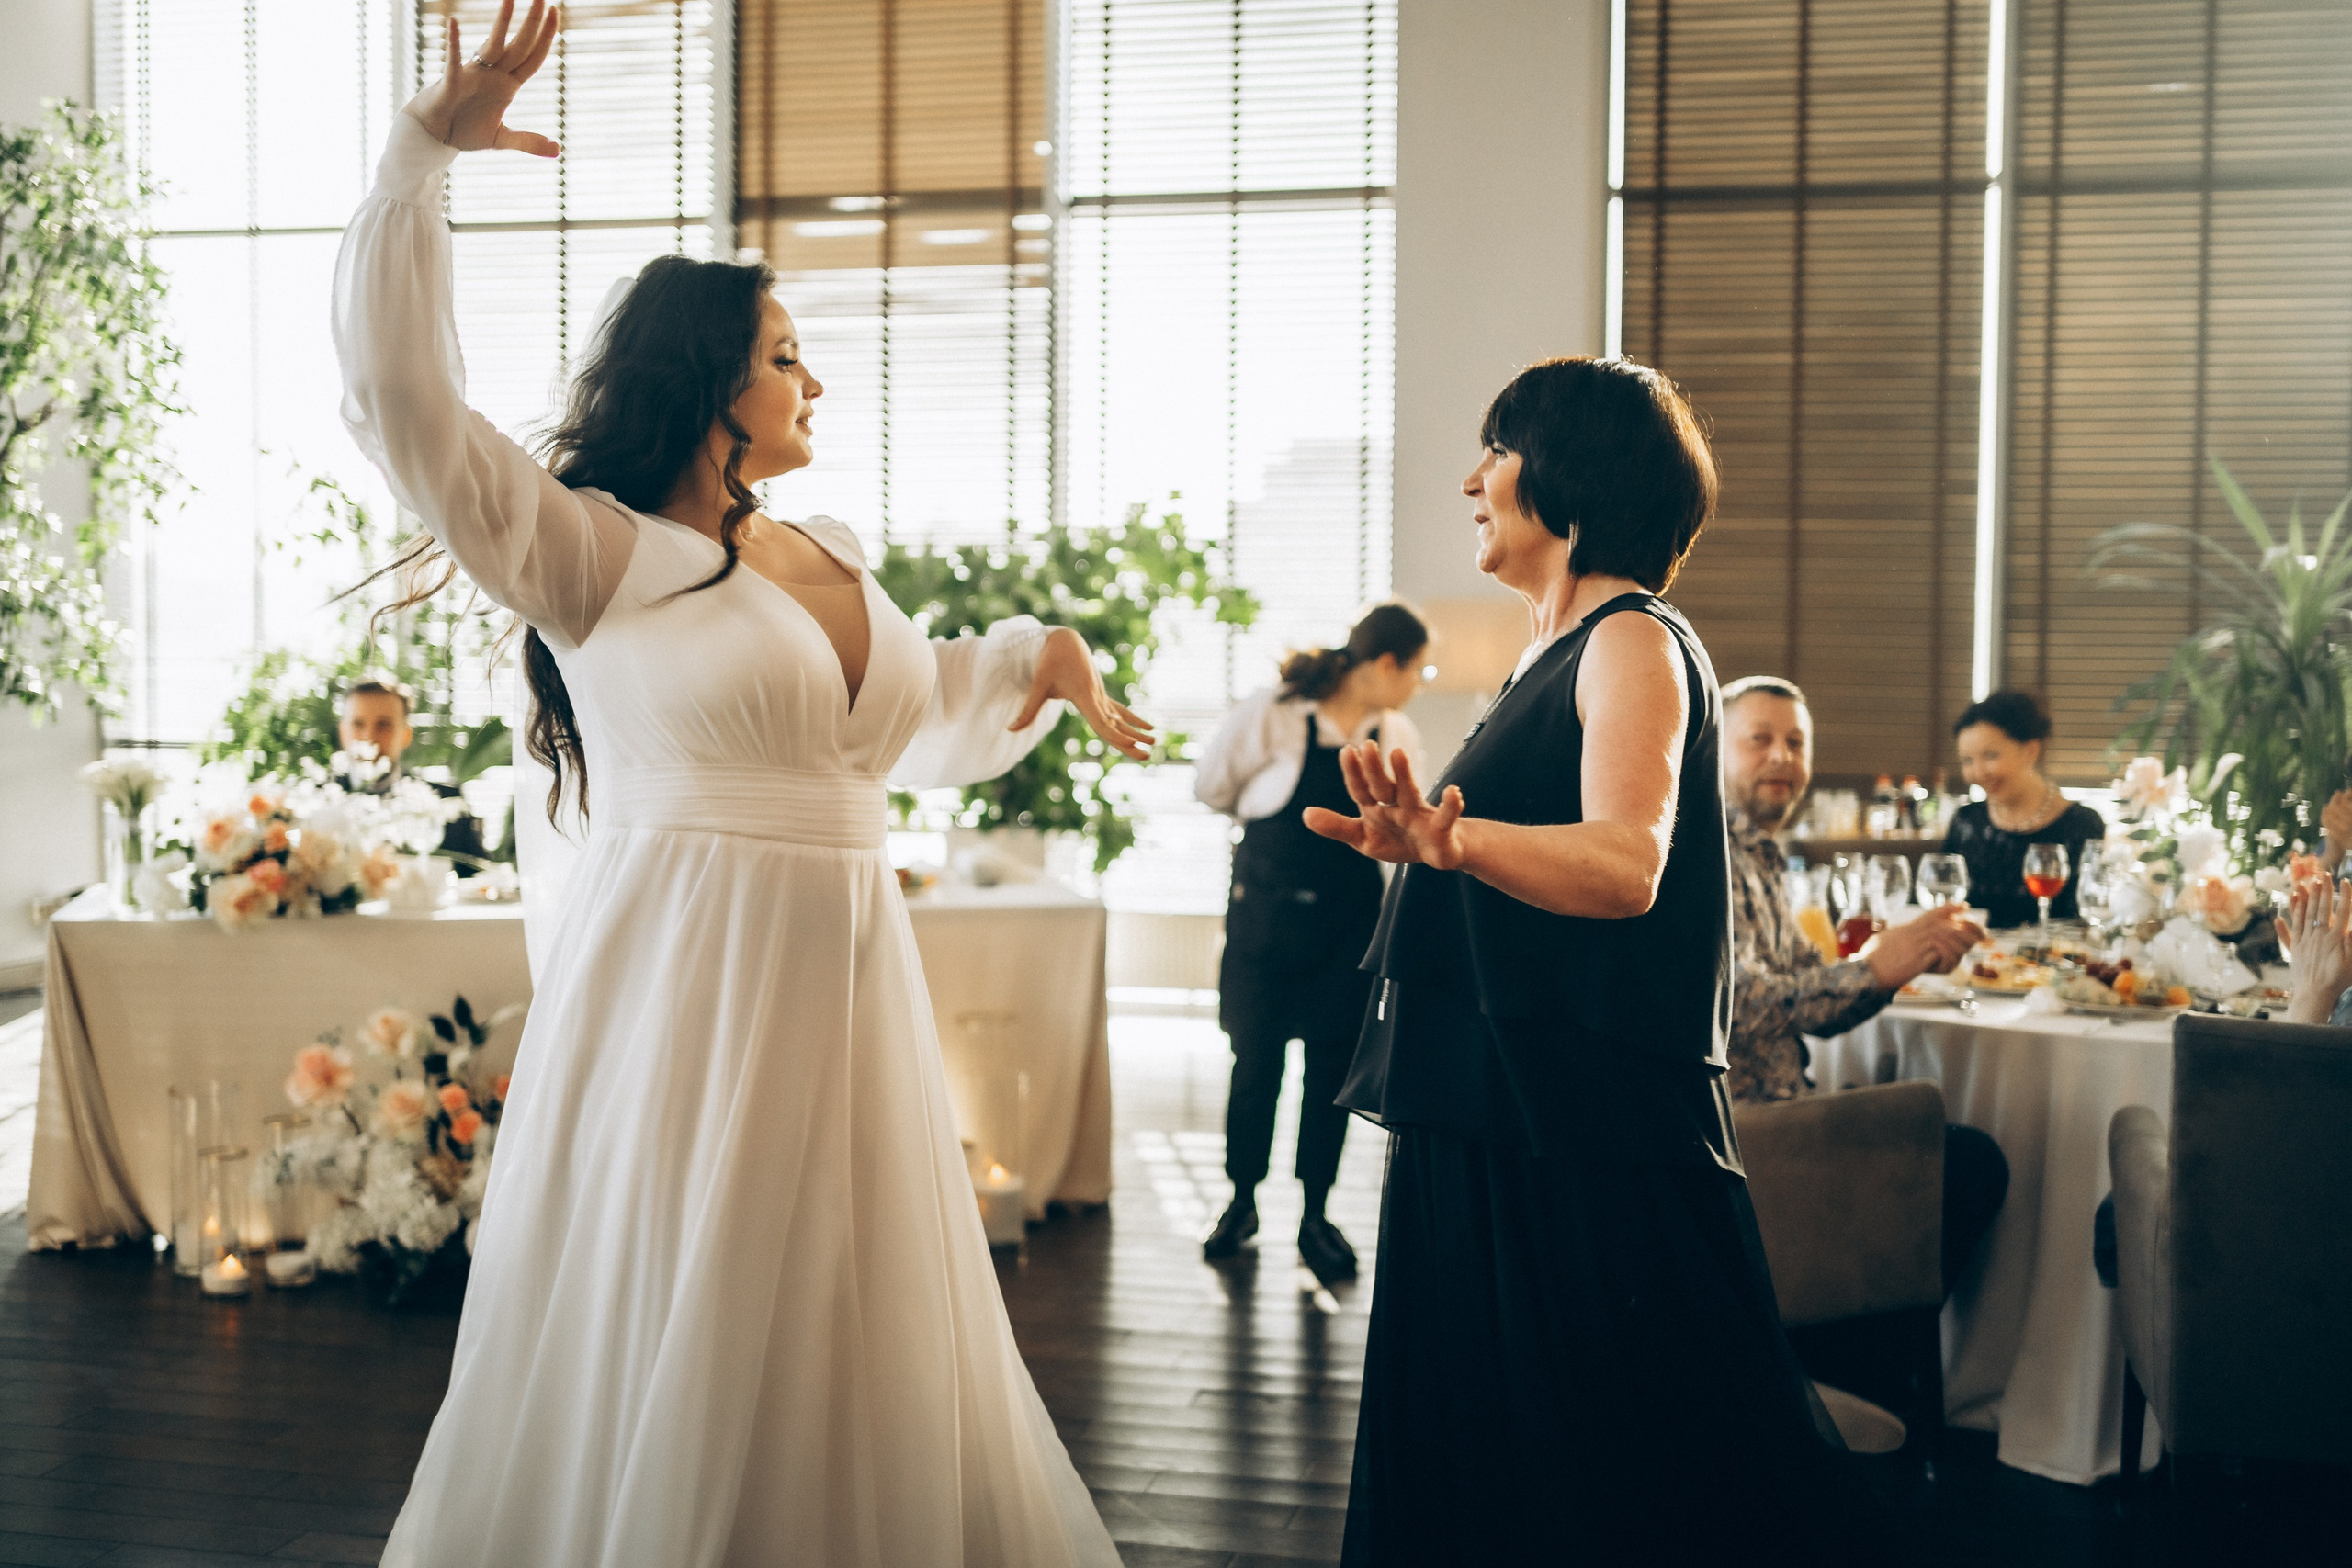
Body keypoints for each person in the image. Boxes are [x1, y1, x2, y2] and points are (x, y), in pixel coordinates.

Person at [334, 7, 1138, 1561]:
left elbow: (901, 718)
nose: (814, 377)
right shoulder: (592, 554)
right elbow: (405, 407)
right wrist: (417, 161)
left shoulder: (827, 550)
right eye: (783, 355)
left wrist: (1035, 656)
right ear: (706, 378)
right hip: (683, 988)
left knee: (849, 1296)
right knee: (688, 1303)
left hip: (848, 980)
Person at [1309, 357, 1872, 1562]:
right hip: (1502, 1111)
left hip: (1575, 1130)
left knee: (1607, 1485)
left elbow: (1626, 863)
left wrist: (1453, 842)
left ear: (1569, 476)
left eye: (1497, 450)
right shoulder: (1550, 652)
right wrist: (1426, 846)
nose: (1472, 480)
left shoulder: (1630, 640)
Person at [1718, 675, 2011, 1394]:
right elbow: (1746, 1005)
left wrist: (1899, 963)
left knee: (1947, 1147)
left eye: (1797, 742)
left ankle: (1840, 1373)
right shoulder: (1705, 850)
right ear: (1713, 749)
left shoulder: (1759, 853)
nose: (1782, 756)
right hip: (1748, 1143)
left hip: (1782, 1114)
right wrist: (1877, 967)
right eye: (1759, 739)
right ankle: (1847, 1380)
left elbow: (1809, 994)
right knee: (1968, 1162)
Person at [1193, 603, 1429, 1281]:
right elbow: (1211, 787)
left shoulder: (1396, 734)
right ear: (1386, 663)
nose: (1419, 684)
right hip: (1264, 928)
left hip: (1349, 934)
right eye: (1417, 670)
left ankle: (1315, 1216)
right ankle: (1241, 1202)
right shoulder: (1272, 713)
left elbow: (1407, 832)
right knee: (1255, 1068)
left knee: (1332, 1077)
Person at [1944, 689, 2106, 927]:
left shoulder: (2082, 824)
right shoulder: (1966, 820)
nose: (1978, 773)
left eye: (1990, 756)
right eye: (1967, 760)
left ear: (2030, 751)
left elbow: (2088, 916)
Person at [335, 678, 491, 874]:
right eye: (358, 724)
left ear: (406, 734)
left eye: (384, 725)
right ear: (343, 732)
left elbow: (482, 880)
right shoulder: (314, 805)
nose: (369, 737)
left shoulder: (446, 803)